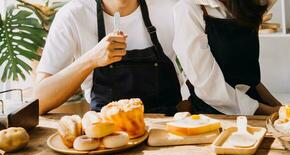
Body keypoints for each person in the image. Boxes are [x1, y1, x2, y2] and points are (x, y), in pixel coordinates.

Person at [34, 0, 182, 115]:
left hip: (166, 128)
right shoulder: (73, 15)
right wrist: (90, 60)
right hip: (107, 134)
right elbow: (39, 101)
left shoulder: (173, 8)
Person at [173, 0, 281, 115]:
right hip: (217, 116)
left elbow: (249, 78)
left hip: (257, 107)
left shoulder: (244, 6)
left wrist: (279, 106)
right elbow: (209, 88)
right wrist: (270, 111)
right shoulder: (188, 9)